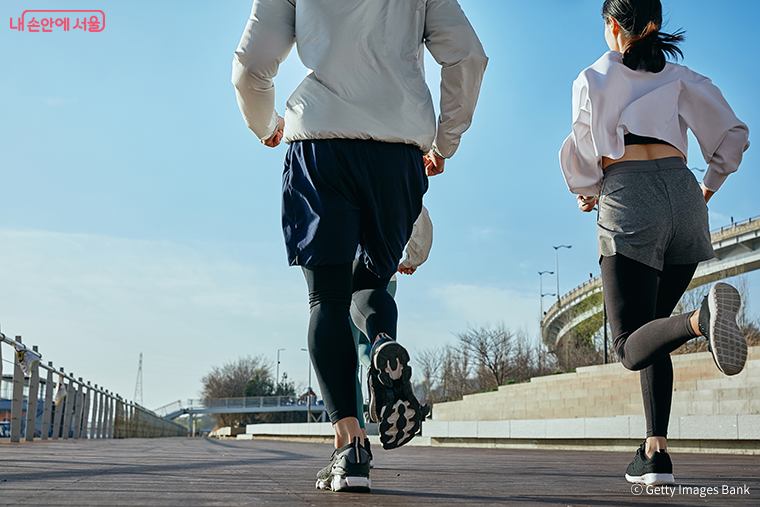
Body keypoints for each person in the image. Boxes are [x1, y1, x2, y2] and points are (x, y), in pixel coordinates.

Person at [232, 0, 486, 493]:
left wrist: (266, 124)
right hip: (398, 150)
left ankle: (348, 449)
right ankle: (382, 345)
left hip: (320, 143)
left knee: (325, 297)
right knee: (370, 281)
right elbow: (467, 56)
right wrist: (444, 141)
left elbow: (249, 66)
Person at [559, 0, 749, 487]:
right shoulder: (682, 76)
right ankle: (654, 453)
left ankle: (700, 320)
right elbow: (732, 135)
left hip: (628, 195)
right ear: (654, 24)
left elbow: (583, 153)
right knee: (654, 333)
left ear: (612, 25)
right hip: (685, 195)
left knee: (627, 346)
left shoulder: (594, 77)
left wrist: (588, 193)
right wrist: (703, 189)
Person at [353, 206, 433, 466]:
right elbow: (421, 222)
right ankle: (381, 370)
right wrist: (411, 259)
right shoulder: (400, 166)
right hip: (387, 273)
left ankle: (357, 442)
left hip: (347, 266)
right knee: (376, 338)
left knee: (349, 355)